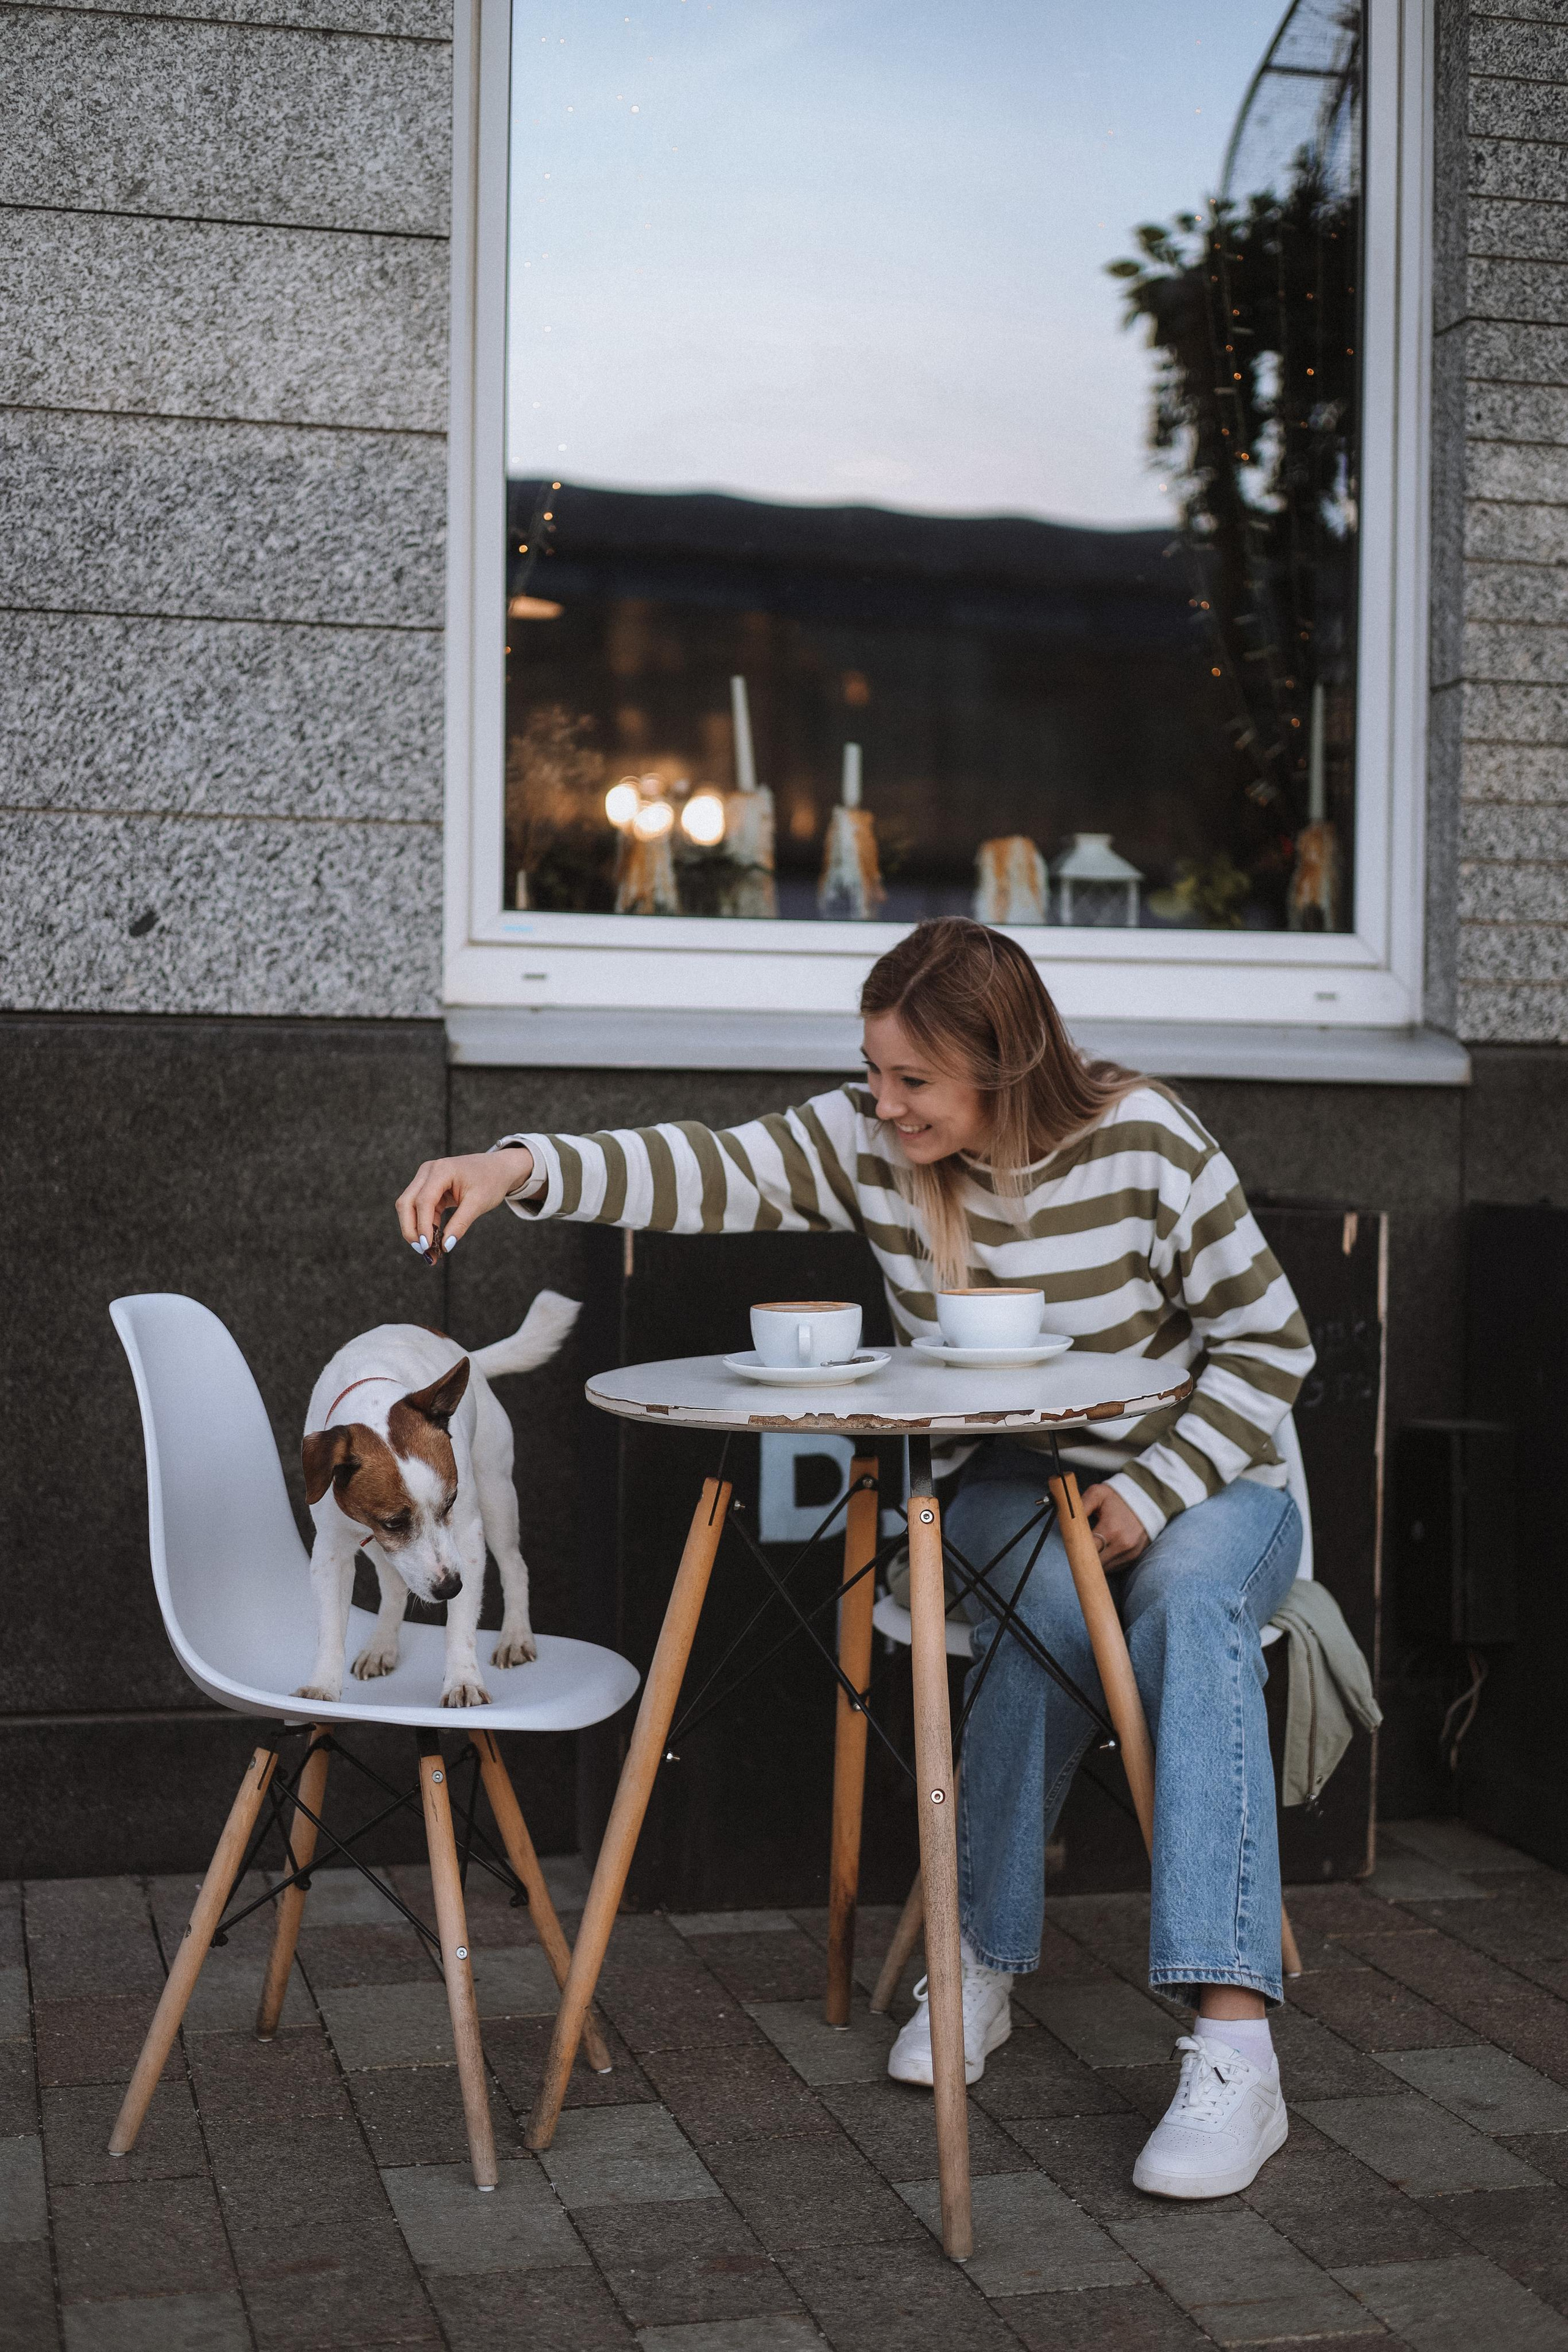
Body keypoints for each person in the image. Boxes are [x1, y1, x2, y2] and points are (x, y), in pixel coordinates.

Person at [396, 918, 1311, 2199]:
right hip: (1005, 1486)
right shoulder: (868, 1144)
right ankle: (980, 1959)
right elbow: (704, 1168)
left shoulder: (1147, 1143)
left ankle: (1233, 2050)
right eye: (871, 1073)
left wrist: (1152, 1494)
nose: (880, 1105)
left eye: (911, 1082)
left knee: (1187, 1607)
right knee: (1042, 1595)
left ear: (1003, 1064)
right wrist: (517, 1165)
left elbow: (1271, 1349)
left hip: (1208, 1485)